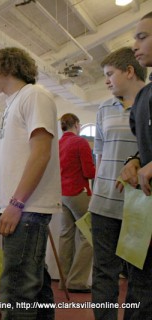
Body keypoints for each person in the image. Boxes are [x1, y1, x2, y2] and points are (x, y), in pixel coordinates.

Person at [0, 47, 62, 320]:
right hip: (22, 207)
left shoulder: (34, 95)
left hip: (27, 207)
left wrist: (16, 204)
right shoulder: (13, 103)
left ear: (5, 66)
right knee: (34, 287)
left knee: (16, 292)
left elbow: (41, 152)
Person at [87, 47, 146, 320]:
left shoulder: (148, 103)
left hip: (140, 206)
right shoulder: (103, 108)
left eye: (110, 74)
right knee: (103, 273)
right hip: (103, 205)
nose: (107, 80)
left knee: (139, 275)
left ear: (129, 71)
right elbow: (100, 156)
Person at [118, 12, 152, 319]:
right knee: (140, 292)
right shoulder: (144, 98)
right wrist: (135, 161)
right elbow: (145, 148)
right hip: (146, 216)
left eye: (143, 36)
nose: (136, 44)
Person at [58, 113, 95, 293]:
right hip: (78, 192)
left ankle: (64, 279)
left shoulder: (58, 144)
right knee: (89, 234)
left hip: (62, 195)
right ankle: (77, 281)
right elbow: (89, 172)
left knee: (66, 235)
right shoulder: (80, 143)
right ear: (77, 125)